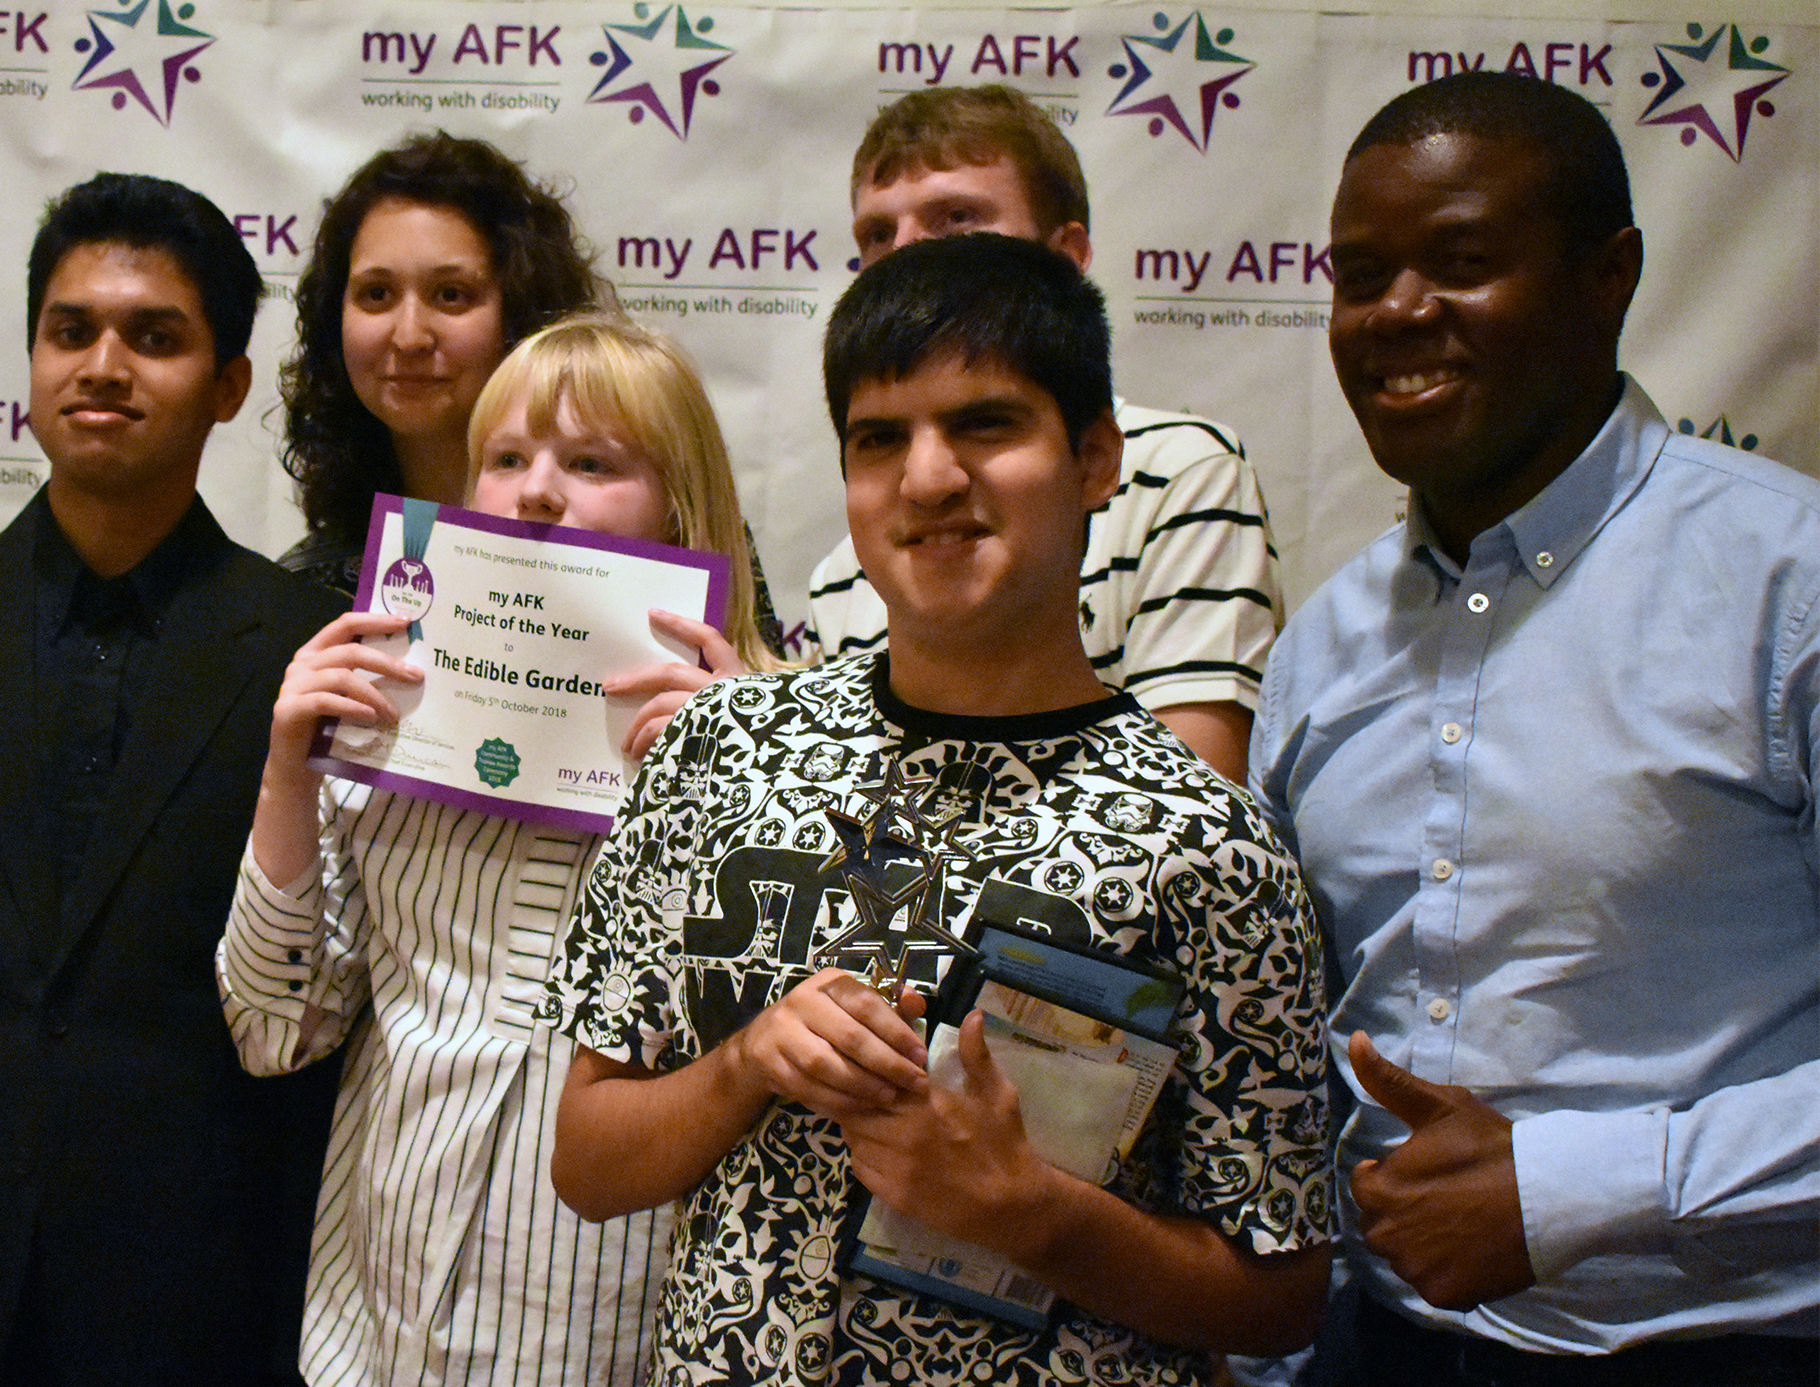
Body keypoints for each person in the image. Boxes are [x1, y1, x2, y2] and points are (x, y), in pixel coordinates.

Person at [547, 234, 1332, 1387]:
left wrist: (1023, 1209)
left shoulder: (1208, 846)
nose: (925, 479)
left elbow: (1280, 1293)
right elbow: (585, 1159)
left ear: (1093, 456)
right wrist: (745, 1060)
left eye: (983, 425)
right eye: (879, 440)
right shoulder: (719, 753)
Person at [1252, 71, 1819, 1384]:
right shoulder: (1321, 648)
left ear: (1607, 275)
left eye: (1461, 264)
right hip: (1386, 1348)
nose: (1398, 314)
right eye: (1361, 272)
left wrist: (1579, 1183)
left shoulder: (1785, 588)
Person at [0, 174, 345, 1385]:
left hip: (196, 1306)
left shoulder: (307, 656)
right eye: (72, 331)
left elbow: (316, 1027)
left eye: (152, 336)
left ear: (226, 387)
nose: (103, 364)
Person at [218, 316, 791, 1387]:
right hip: (375, 1334)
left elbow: (803, 1067)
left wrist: (745, 790)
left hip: (620, 1335)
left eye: (590, 463)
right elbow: (272, 1028)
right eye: (507, 458)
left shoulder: (783, 733)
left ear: (681, 504)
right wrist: (287, 774)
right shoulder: (392, 718)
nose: (534, 491)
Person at [804, 84, 1279, 782]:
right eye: (879, 234)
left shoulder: (1182, 475)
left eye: (955, 219)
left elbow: (1189, 812)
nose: (906, 254)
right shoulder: (851, 564)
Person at [277, 130, 604, 595]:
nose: (409, 337)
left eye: (451, 294)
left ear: (523, 309)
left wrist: (734, 672)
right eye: (377, 294)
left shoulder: (659, 542)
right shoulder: (305, 589)